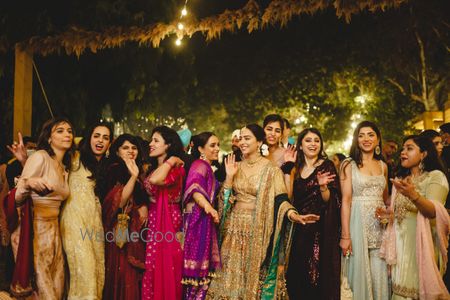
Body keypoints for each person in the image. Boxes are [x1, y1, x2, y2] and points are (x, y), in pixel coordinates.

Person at [207, 124, 316, 299]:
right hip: (233, 231)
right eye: (240, 138)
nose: (242, 142)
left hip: (257, 231)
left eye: (247, 138)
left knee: (252, 280)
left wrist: (293, 215)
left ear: (259, 142)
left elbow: (281, 200)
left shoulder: (271, 170)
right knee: (229, 281)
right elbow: (222, 202)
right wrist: (228, 177)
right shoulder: (235, 166)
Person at [12, 118, 75, 298]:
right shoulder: (40, 156)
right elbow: (17, 198)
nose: (67, 134)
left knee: (58, 288)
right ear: (49, 138)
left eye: (70, 131)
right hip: (36, 232)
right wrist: (29, 182)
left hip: (55, 233)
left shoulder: (64, 166)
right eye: (60, 131)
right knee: (43, 292)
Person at [381, 135, 449, 299]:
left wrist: (414, 195)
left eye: (409, 148)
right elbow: (400, 214)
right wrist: (388, 214)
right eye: (403, 148)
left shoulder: (435, 177)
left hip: (422, 248)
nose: (403, 152)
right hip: (401, 249)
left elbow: (435, 212)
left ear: (424, 154)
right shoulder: (401, 179)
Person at [285, 128, 341, 299]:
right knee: (296, 274)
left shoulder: (327, 165)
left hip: (319, 230)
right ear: (300, 145)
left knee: (315, 276)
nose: (313, 144)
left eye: (316, 140)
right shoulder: (296, 166)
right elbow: (287, 196)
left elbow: (330, 201)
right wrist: (287, 167)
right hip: (298, 227)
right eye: (308, 140)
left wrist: (323, 187)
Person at [60, 123, 112, 299]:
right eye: (96, 135)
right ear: (88, 137)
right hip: (73, 220)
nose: (100, 141)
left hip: (94, 222)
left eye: (105, 138)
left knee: (98, 270)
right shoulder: (74, 158)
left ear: (109, 144)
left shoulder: (105, 167)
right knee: (84, 270)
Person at [339, 121, 390, 300]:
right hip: (357, 224)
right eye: (361, 135)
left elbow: (386, 199)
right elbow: (346, 201)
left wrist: (389, 214)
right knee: (359, 274)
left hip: (380, 227)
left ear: (377, 140)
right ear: (356, 140)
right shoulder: (348, 164)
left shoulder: (383, 166)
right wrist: (345, 236)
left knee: (380, 274)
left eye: (370, 135)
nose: (366, 139)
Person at [97, 134, 148, 300]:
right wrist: (133, 177)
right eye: (125, 148)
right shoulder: (115, 169)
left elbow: (141, 198)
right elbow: (118, 202)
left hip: (136, 231)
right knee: (122, 272)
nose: (131, 151)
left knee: (132, 274)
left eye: (134, 148)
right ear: (117, 152)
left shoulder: (137, 169)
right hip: (119, 229)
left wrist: (144, 207)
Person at [142, 126, 185, 300]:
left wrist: (172, 160)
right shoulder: (154, 167)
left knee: (164, 266)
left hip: (168, 220)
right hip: (153, 219)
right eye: (151, 140)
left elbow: (155, 180)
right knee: (151, 267)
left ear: (168, 145)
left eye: (156, 140)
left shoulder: (175, 169)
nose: (151, 144)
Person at [182, 132, 221, 299]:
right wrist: (209, 208)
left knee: (200, 275)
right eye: (212, 145)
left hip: (203, 221)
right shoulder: (200, 165)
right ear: (200, 148)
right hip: (197, 222)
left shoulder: (207, 167)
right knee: (196, 275)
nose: (217, 148)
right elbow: (195, 189)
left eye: (218, 144)